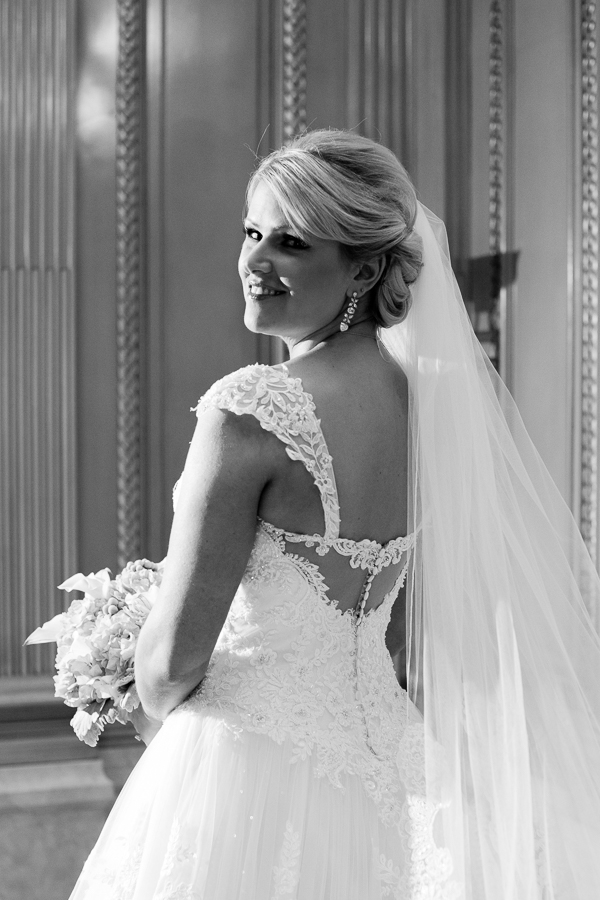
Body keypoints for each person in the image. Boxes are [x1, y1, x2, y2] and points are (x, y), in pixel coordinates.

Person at [69, 130, 600, 899]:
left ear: (365, 265)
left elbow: (170, 666)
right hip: (385, 767)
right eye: (252, 233)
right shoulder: (430, 410)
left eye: (292, 242)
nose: (256, 262)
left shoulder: (247, 410)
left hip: (241, 776)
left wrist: (129, 671)